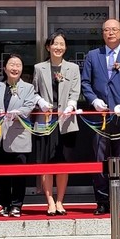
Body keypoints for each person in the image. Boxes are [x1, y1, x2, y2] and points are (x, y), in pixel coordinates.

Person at [81, 18, 120, 215]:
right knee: (100, 157)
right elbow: (86, 83)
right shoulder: (93, 55)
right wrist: (94, 101)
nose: (111, 33)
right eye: (107, 30)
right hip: (100, 116)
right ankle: (101, 200)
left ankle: (119, 199)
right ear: (102, 33)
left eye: (114, 29)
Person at [32, 31, 81, 216]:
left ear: (65, 47)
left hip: (66, 121)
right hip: (45, 121)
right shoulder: (39, 68)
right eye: (55, 44)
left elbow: (75, 92)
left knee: (63, 162)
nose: (58, 47)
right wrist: (40, 102)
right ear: (48, 47)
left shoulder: (73, 68)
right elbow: (33, 91)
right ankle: (50, 201)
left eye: (62, 44)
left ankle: (60, 200)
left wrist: (71, 105)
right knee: (46, 162)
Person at [0, 54, 36, 217]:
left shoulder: (28, 87)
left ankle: (17, 205)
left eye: (18, 65)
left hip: (19, 136)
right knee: (2, 174)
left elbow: (29, 106)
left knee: (19, 174)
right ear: (5, 68)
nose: (15, 68)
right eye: (11, 64)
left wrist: (18, 113)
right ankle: (4, 204)